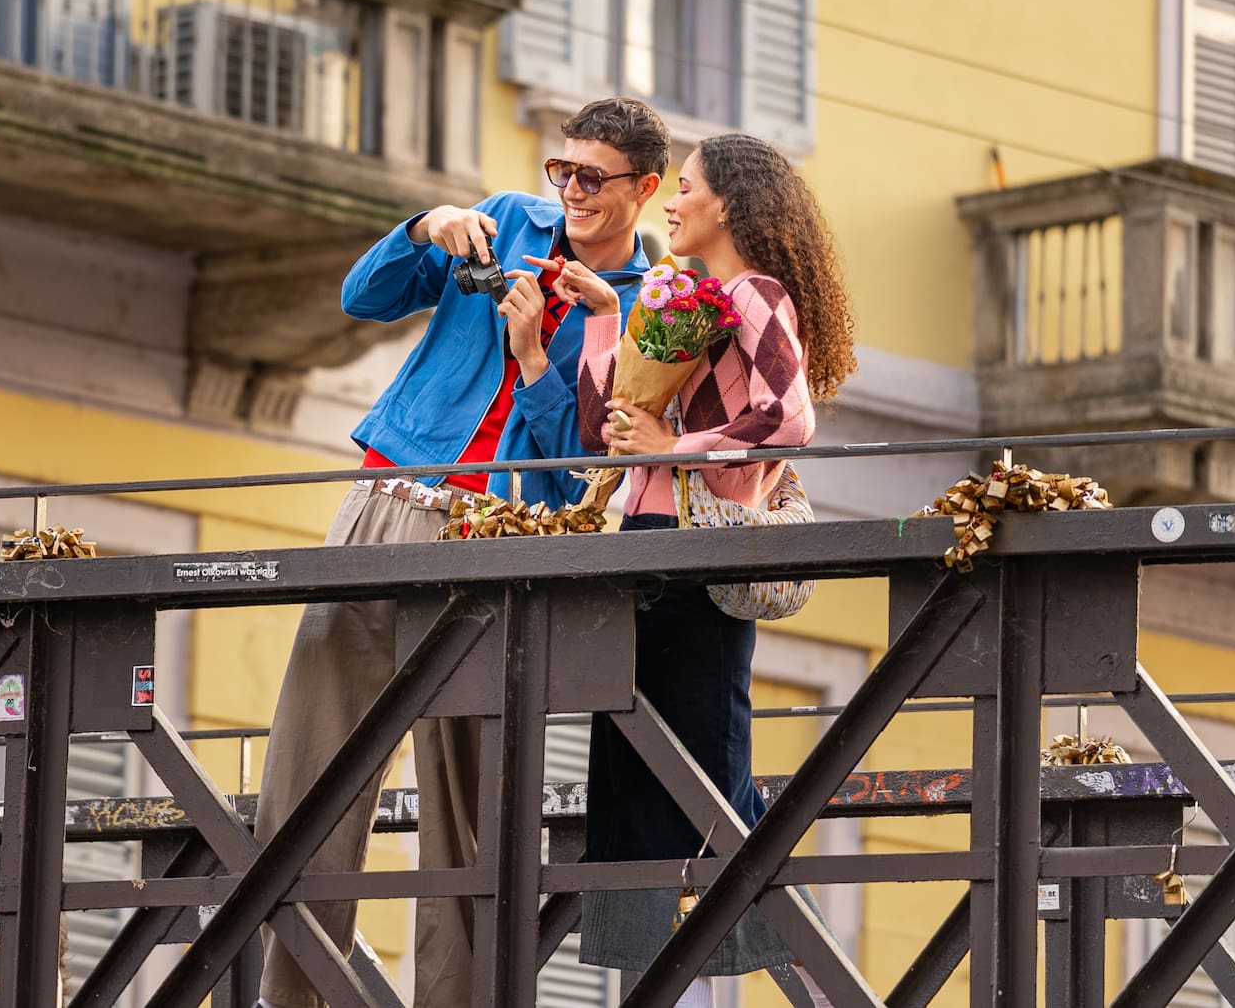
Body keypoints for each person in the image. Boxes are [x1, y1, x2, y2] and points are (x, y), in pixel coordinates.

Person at [252, 98, 671, 1008]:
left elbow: (578, 479)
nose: (571, 193)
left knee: (468, 817)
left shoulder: (648, 308)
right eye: (564, 170)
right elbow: (360, 297)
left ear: (645, 188)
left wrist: (533, 359)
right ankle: (287, 999)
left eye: (593, 178)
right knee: (307, 774)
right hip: (389, 502)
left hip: (499, 543)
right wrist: (422, 229)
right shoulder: (509, 218)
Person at [554, 132, 857, 1008]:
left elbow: (788, 421)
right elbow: (599, 429)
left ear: (728, 203)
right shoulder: (683, 297)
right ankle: (667, 972)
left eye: (684, 187)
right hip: (647, 553)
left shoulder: (757, 295)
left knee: (704, 782)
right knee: (635, 776)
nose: (673, 202)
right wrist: (609, 319)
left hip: (697, 555)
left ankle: (763, 948)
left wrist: (674, 446)